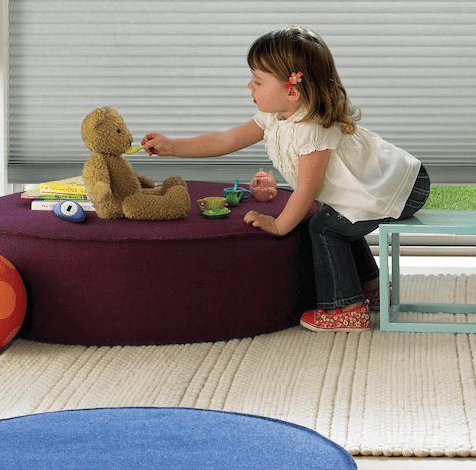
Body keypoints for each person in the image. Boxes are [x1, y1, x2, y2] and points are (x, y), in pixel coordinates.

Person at [141, 26, 430, 332]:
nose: (249, 86)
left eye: (257, 81)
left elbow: (308, 187)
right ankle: (369, 287)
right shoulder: (274, 115)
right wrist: (173, 146)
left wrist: (279, 225)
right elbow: (225, 139)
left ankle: (348, 308)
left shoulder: (313, 127)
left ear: (291, 90)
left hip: (402, 186)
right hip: (376, 185)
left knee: (324, 225)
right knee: (336, 216)